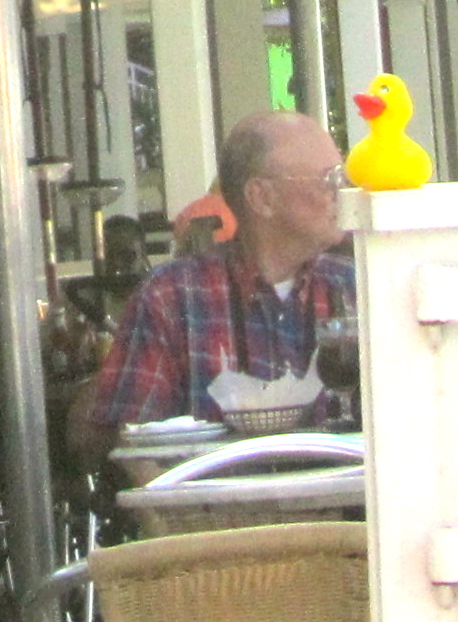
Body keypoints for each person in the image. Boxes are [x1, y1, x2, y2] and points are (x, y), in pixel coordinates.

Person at [70, 110, 354, 464]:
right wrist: (176, 501)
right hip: (208, 498)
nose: (343, 193)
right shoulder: (174, 296)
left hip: (346, 498)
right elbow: (134, 445)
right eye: (329, 179)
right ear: (262, 197)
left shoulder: (355, 287)